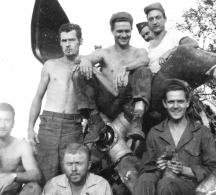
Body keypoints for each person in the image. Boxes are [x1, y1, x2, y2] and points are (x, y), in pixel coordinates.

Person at [73, 12, 152, 142]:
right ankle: (94, 120)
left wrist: (125, 68)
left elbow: (144, 60)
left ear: (132, 30)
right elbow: (82, 58)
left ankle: (137, 120)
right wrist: (85, 59)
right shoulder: (104, 53)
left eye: (127, 31)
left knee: (144, 70)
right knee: (79, 72)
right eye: (119, 31)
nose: (124, 35)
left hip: (128, 104)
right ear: (112, 31)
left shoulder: (138, 51)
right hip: (106, 101)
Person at [134, 79, 216, 195]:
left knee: (166, 184)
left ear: (187, 103)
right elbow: (145, 169)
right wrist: (159, 168)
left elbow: (215, 170)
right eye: (171, 102)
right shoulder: (154, 133)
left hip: (192, 189)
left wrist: (184, 170)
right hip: (162, 184)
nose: (175, 106)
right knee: (145, 179)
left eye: (180, 101)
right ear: (164, 103)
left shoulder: (202, 132)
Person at [27, 23, 84, 187]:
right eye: (64, 40)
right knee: (44, 177)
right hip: (49, 126)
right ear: (59, 42)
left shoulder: (86, 66)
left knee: (73, 177)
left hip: (73, 127)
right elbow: (37, 98)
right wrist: (30, 129)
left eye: (72, 40)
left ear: (80, 41)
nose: (67, 44)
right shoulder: (51, 65)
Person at [144, 2, 199, 74]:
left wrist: (169, 52)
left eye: (158, 17)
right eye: (151, 19)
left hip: (176, 80)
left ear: (165, 19)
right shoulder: (147, 49)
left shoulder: (173, 34)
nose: (154, 22)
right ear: (148, 22)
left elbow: (193, 43)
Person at [0, 103, 42, 195]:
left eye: (7, 120)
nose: (2, 125)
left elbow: (36, 174)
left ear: (13, 123)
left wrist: (12, 176)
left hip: (14, 193)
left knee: (34, 187)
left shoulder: (21, 146)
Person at [42, 143, 112, 195]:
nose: (73, 169)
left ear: (89, 165)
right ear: (63, 165)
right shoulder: (53, 185)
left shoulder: (102, 185)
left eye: (78, 163)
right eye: (69, 164)